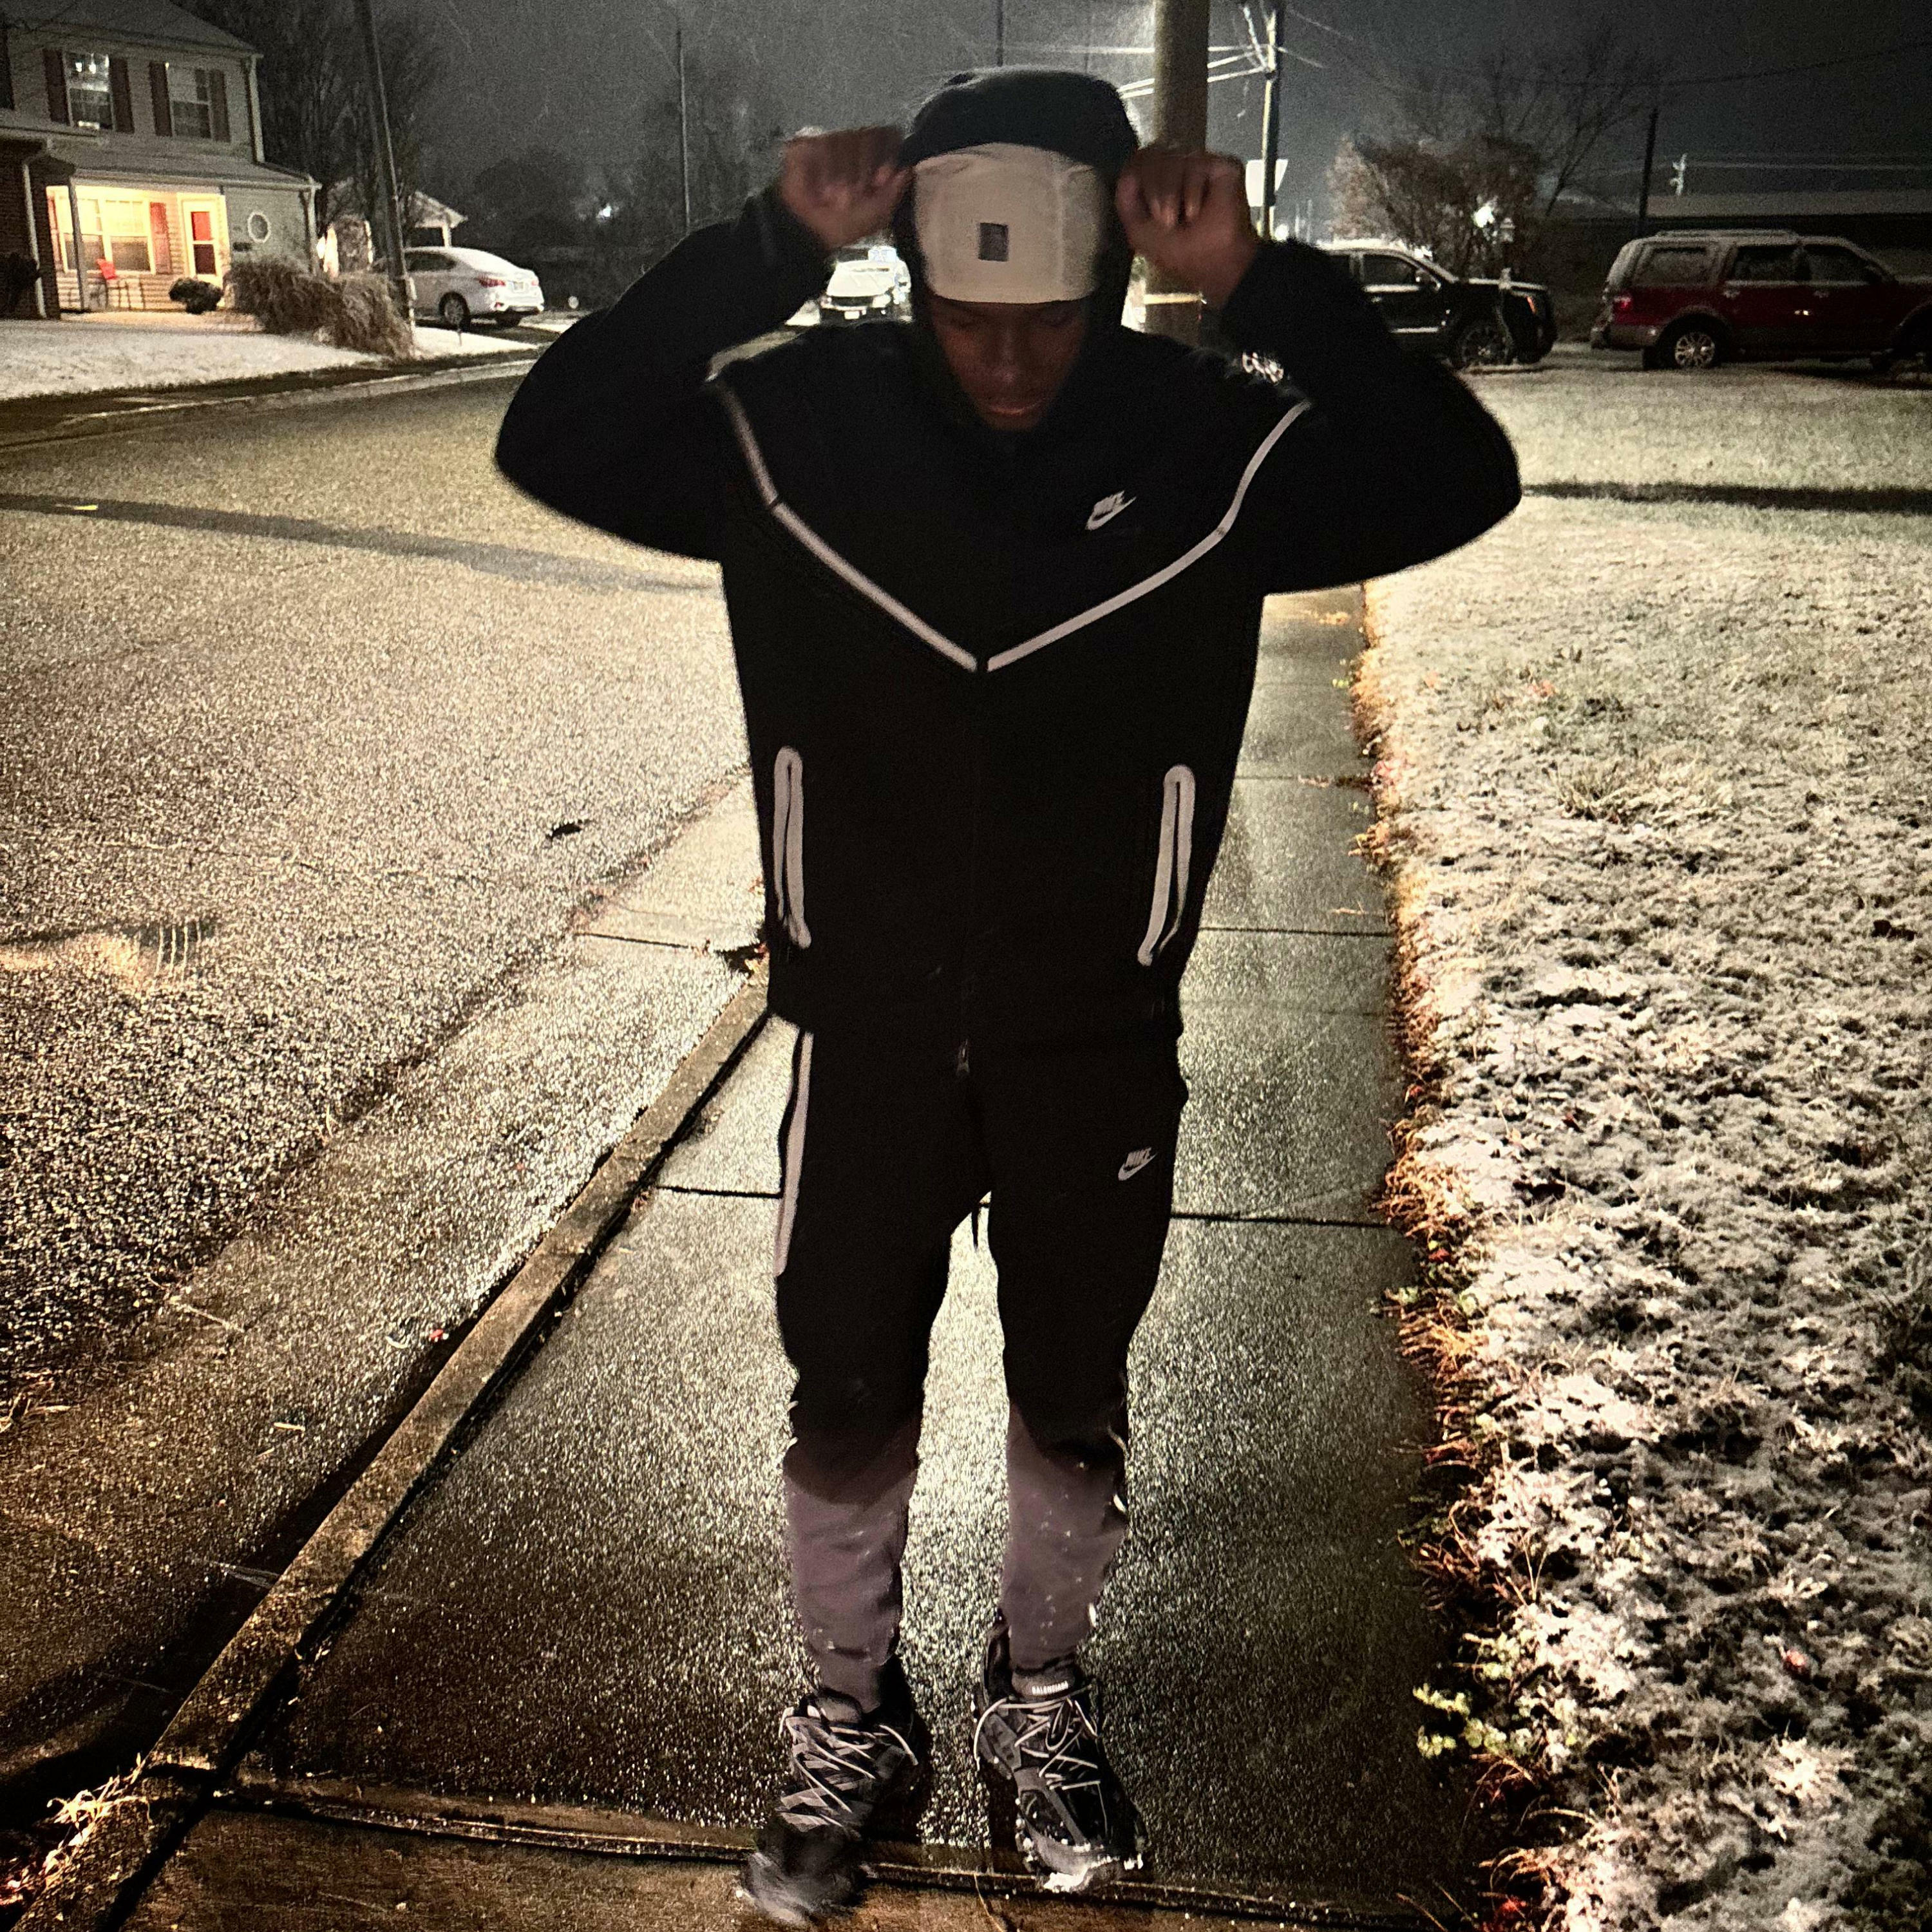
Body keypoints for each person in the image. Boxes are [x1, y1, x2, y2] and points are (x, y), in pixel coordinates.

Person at [497, 65, 1518, 1929]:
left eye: (1053, 312)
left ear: (1112, 278)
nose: (1014, 356)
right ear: (914, 273)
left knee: (1070, 1391)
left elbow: (1462, 477)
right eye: (975, 315)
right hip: (867, 1033)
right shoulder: (796, 427)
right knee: (844, 1388)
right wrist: (767, 249)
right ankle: (848, 1716)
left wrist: (1262, 282)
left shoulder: (1211, 440)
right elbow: (554, 435)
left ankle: (1037, 1701)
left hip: (1093, 1035)